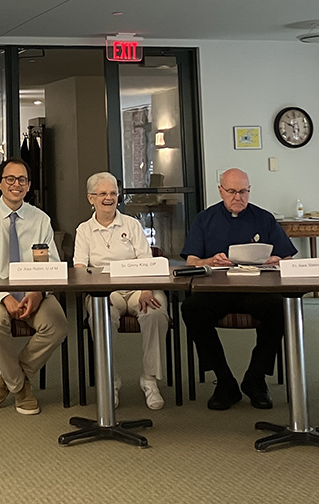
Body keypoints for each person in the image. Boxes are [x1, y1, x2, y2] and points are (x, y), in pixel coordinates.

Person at [180, 168, 297, 410]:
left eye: (243, 191)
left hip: (256, 289)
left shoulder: (264, 218)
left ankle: (256, 378)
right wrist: (210, 260)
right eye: (232, 191)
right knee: (191, 308)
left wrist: (273, 260)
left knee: (279, 308)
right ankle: (224, 381)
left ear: (249, 191)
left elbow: (287, 259)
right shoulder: (205, 219)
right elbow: (191, 261)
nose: (238, 197)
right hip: (217, 289)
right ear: (220, 190)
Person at [0, 158, 69, 415]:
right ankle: (20, 388)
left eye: (22, 179)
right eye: (10, 178)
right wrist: (4, 297)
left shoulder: (40, 219)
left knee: (58, 326)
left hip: (34, 291)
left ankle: (8, 378)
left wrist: (37, 291)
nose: (16, 184)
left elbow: (52, 263)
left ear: (29, 186)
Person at [73, 172, 167, 410]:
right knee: (101, 316)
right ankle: (110, 382)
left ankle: (149, 380)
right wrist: (99, 292)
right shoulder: (84, 230)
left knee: (155, 312)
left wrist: (147, 288)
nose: (109, 198)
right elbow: (80, 269)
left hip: (138, 288)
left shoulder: (132, 224)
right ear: (90, 198)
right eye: (102, 194)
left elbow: (147, 260)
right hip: (104, 291)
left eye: (113, 193)